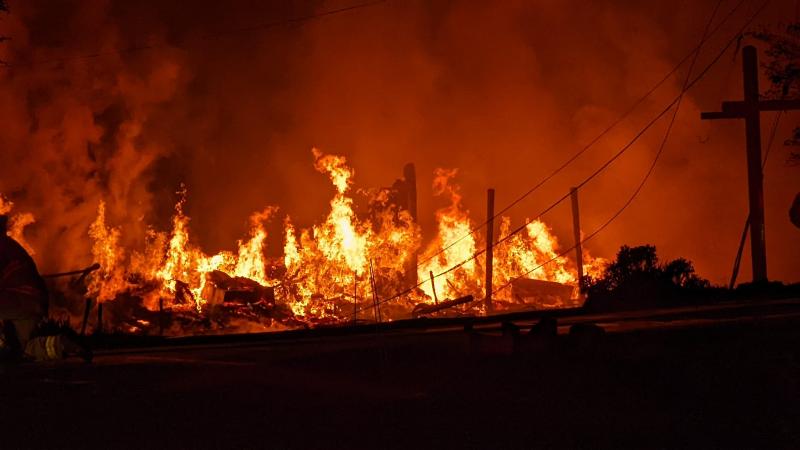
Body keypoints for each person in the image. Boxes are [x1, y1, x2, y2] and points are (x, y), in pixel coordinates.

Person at [0, 214, 48, 358]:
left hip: (20, 301)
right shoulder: (9, 245)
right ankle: (65, 343)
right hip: (32, 305)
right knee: (26, 349)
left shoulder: (2, 247)